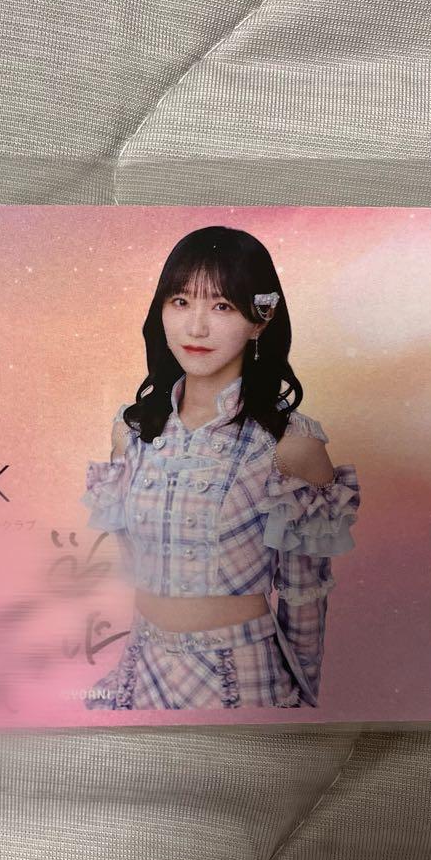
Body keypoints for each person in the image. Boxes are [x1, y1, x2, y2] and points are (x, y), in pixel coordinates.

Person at [80, 226, 360, 710]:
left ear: (260, 320)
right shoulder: (132, 433)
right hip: (142, 668)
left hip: (240, 679)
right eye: (181, 302)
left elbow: (304, 597)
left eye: (222, 306)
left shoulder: (290, 445)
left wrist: (299, 710)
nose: (196, 327)